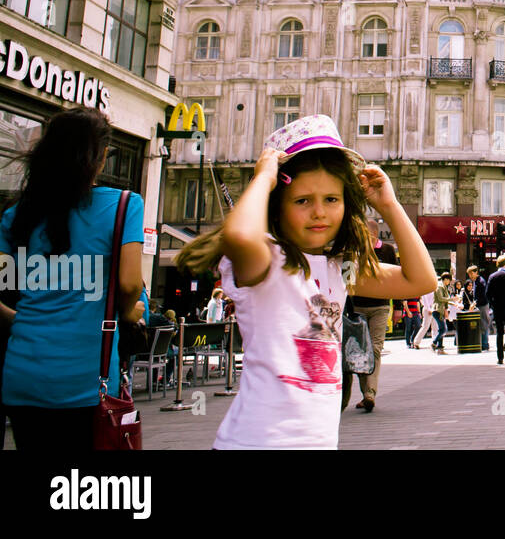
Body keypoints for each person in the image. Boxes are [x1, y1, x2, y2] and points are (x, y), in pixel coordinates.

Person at [176, 113, 435, 448]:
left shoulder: (337, 269)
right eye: (302, 201)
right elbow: (240, 234)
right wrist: (264, 178)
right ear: (277, 205)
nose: (319, 212)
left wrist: (389, 205)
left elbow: (420, 280)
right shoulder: (267, 260)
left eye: (331, 199)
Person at [0, 109, 145, 450]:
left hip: (23, 377)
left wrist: (24, 322)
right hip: (87, 384)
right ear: (100, 156)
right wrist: (126, 313)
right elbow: (129, 284)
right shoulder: (123, 206)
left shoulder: (16, 215)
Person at [341, 218, 398, 411]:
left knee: (374, 349)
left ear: (372, 234)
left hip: (380, 307)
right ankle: (367, 393)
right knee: (358, 352)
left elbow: (396, 279)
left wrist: (398, 306)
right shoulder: (351, 252)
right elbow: (345, 283)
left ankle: (369, 393)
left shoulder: (387, 251)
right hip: (356, 308)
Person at [462, 265, 489, 352]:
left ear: (476, 272)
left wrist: (475, 302)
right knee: (481, 324)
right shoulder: (476, 281)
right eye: (469, 274)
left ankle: (485, 344)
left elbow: (483, 295)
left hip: (482, 305)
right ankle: (483, 343)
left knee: (483, 324)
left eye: (471, 273)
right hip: (480, 305)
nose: (470, 276)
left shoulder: (480, 281)